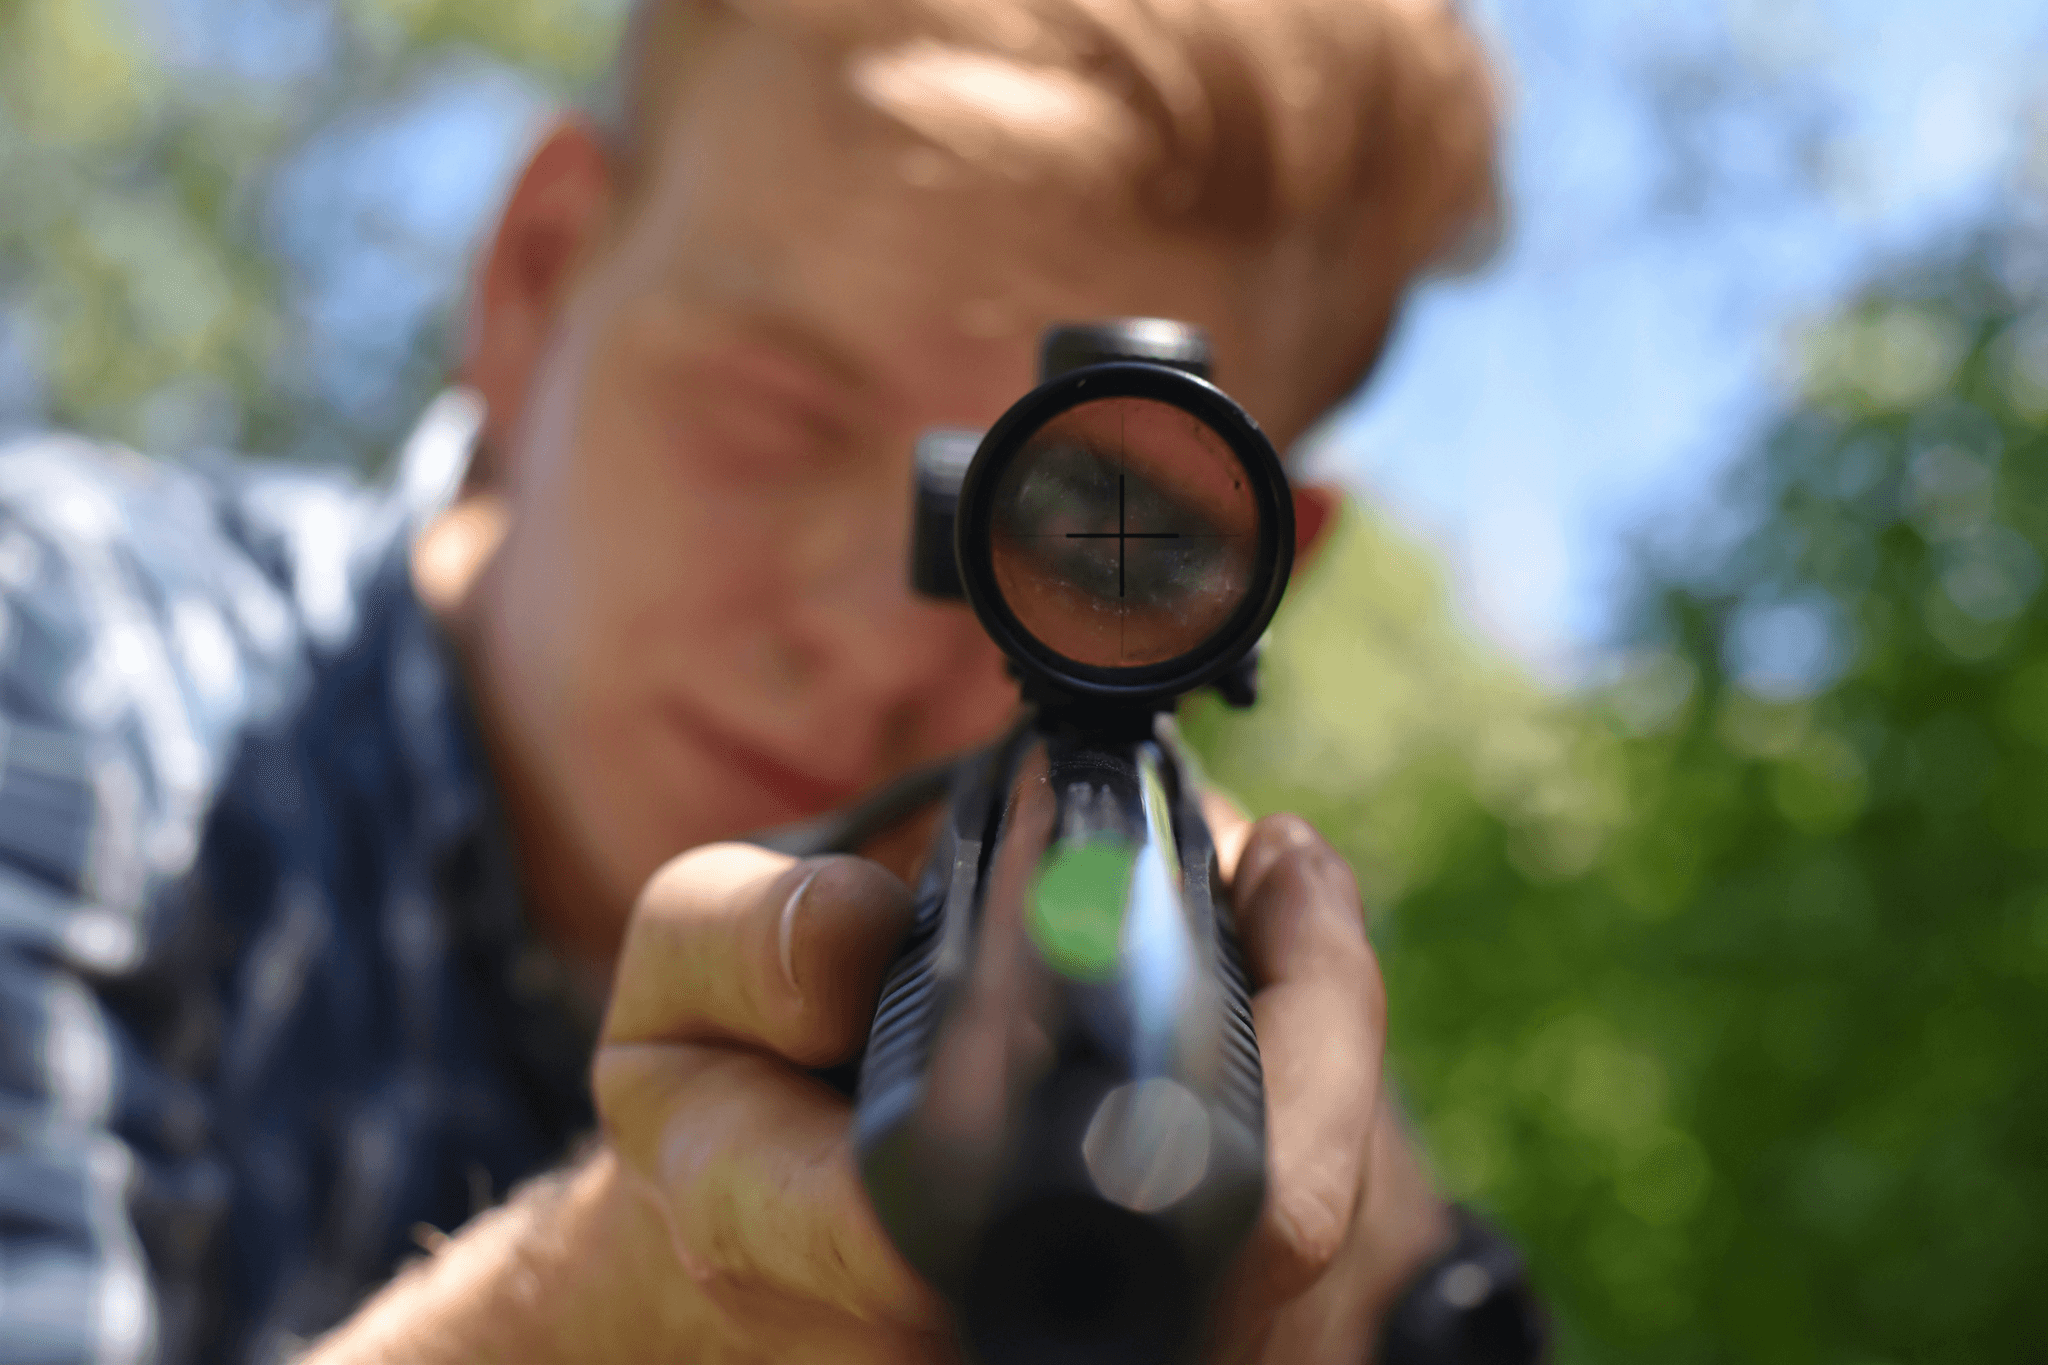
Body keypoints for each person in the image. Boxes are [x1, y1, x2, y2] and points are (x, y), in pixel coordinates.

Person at [0, 0, 1502, 1360]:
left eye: (1096, 533)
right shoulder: (65, 668)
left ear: (1253, 574)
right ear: (538, 274)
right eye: (774, 417)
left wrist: (1407, 1307)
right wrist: (585, 1321)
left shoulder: (1153, 969)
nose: (867, 625)